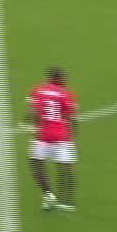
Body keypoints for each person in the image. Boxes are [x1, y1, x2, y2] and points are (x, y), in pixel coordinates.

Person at [26, 67, 78, 211]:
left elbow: (33, 112)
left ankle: (48, 194)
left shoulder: (38, 91)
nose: (65, 80)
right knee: (66, 167)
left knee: (36, 165)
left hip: (42, 135)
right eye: (63, 78)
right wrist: (74, 134)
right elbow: (71, 116)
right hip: (61, 135)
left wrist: (31, 126)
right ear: (57, 78)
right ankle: (67, 202)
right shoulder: (66, 94)